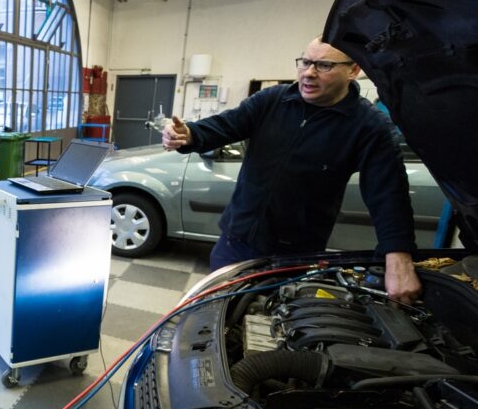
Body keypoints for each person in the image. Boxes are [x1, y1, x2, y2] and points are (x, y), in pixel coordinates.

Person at [163, 37, 421, 304]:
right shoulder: (273, 101)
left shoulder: (368, 127)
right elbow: (225, 125)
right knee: (216, 314)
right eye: (306, 62)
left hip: (294, 256)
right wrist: (190, 134)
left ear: (353, 71)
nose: (309, 73)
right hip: (235, 243)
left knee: (276, 327)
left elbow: (389, 194)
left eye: (324, 65)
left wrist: (398, 258)